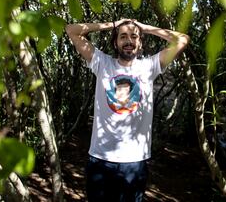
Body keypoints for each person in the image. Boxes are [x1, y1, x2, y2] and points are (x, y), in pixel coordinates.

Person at [65, 19, 189, 202]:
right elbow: (72, 30)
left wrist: (145, 28)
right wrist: (112, 24)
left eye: (134, 37)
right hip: (100, 158)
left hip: (134, 161)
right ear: (115, 42)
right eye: (123, 36)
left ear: (140, 43)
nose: (129, 41)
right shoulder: (102, 63)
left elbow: (183, 39)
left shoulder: (149, 67)